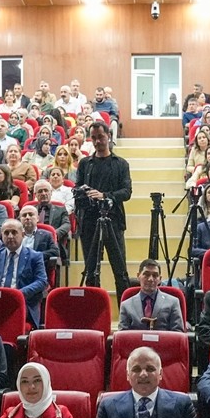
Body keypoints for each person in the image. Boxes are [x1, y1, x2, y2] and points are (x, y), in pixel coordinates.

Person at [73, 120, 132, 296]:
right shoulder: (85, 163)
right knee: (91, 271)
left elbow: (127, 192)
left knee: (120, 269)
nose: (98, 141)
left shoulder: (121, 163)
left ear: (108, 136)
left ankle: (125, 315)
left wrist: (105, 196)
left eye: (101, 137)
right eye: (94, 138)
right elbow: (77, 189)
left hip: (114, 220)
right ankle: (92, 312)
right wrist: (85, 193)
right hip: (89, 221)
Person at [0, 219, 48, 327]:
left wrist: (19, 294)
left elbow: (41, 281)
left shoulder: (35, 256)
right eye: (6, 233)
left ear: (23, 235)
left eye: (14, 232)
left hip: (22, 302)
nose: (10, 236)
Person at [117, 258, 185, 331]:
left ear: (160, 279)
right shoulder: (126, 305)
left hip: (163, 342)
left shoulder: (173, 302)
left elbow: (178, 335)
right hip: (136, 342)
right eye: (146, 274)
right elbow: (121, 338)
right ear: (138, 276)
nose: (150, 279)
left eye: (155, 275)